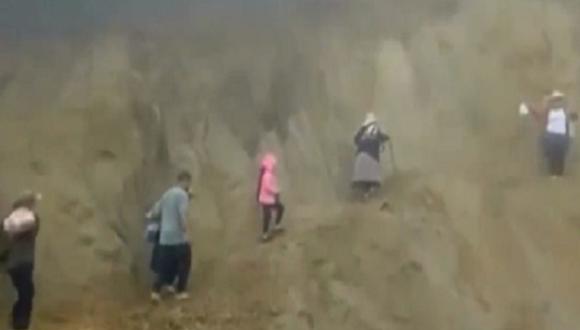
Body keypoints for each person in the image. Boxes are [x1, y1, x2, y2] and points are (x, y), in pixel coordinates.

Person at [148, 171, 193, 302]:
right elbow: (182, 214)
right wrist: (186, 232)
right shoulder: (182, 195)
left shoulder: (167, 194)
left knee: (164, 265)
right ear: (185, 181)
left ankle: (155, 292)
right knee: (185, 262)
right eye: (188, 183)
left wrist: (149, 216)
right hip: (178, 237)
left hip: (164, 238)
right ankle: (181, 291)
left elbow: (154, 212)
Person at [2, 191, 42, 330]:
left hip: (15, 264)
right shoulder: (30, 220)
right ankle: (19, 323)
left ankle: (17, 321)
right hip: (23, 263)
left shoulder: (11, 222)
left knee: (24, 292)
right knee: (26, 293)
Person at [529, 90, 576, 177]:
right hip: (552, 136)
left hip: (559, 136)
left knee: (559, 155)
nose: (557, 102)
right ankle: (554, 174)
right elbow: (538, 115)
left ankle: (557, 174)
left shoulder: (564, 110)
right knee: (553, 154)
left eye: (558, 100)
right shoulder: (548, 110)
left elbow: (573, 116)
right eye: (555, 100)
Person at [352, 112, 390, 199]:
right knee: (372, 181)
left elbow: (355, 140)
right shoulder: (375, 129)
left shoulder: (361, 131)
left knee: (361, 182)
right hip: (371, 159)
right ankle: (368, 196)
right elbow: (383, 137)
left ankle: (364, 196)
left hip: (360, 160)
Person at [257, 153, 285, 242]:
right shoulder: (267, 176)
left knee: (279, 208)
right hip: (267, 200)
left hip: (268, 199)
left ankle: (275, 227)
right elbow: (268, 187)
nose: (274, 166)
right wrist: (276, 191)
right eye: (273, 164)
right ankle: (265, 235)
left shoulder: (268, 174)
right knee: (268, 215)